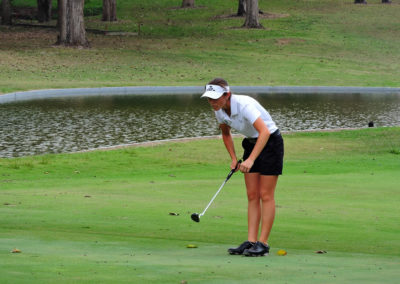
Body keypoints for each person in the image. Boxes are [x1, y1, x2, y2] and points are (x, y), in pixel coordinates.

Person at [201, 78, 284, 257]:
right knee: (252, 195)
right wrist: (233, 158)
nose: (212, 102)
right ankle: (251, 241)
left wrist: (251, 160)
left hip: (270, 143)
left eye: (215, 98)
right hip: (251, 143)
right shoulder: (219, 111)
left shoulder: (244, 105)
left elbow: (265, 132)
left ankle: (263, 244)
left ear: (227, 95)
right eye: (209, 98)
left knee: (266, 195)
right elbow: (226, 134)